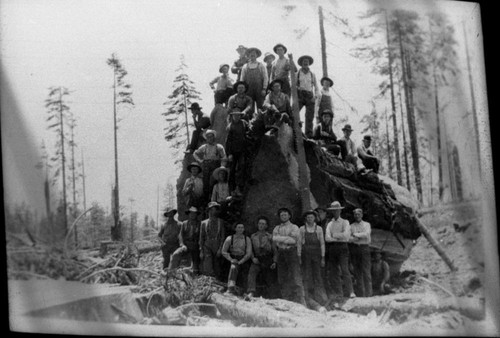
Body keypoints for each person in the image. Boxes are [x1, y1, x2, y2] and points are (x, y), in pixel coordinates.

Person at [272, 207, 306, 306]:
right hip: (281, 253)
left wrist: (280, 238)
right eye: (281, 215)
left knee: (295, 276)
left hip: (291, 252)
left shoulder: (294, 227)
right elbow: (274, 240)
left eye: (285, 214)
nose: (283, 216)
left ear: (289, 216)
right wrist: (286, 238)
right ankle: (286, 299)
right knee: (282, 276)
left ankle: (300, 300)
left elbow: (293, 240)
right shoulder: (276, 228)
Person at [324, 201, 355, 298]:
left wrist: (335, 235)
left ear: (340, 211)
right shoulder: (330, 224)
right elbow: (327, 238)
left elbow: (346, 236)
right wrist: (338, 236)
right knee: (334, 271)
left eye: (337, 210)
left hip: (342, 247)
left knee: (345, 269)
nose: (335, 212)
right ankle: (339, 293)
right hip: (333, 248)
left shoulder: (345, 222)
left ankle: (351, 291)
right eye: (333, 211)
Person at [299, 210, 328, 308]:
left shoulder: (319, 229)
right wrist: (299, 256)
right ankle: (307, 297)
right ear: (305, 219)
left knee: (318, 275)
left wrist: (323, 257)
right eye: (308, 218)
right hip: (306, 255)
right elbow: (299, 243)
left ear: (314, 218)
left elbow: (322, 243)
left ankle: (321, 297)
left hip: (316, 254)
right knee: (306, 275)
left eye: (311, 217)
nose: (310, 219)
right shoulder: (302, 229)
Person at [246, 216, 277, 298]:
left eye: (263, 224)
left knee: (270, 277)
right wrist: (253, 258)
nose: (261, 225)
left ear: (266, 226)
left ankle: (272, 296)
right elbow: (250, 249)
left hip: (267, 259)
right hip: (257, 259)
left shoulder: (270, 236)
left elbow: (275, 250)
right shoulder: (253, 236)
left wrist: (274, 261)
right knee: (252, 273)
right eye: (260, 223)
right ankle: (251, 292)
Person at [193, 129, 227, 203]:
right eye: (208, 137)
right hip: (206, 167)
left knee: (214, 183)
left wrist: (222, 167)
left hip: (215, 166)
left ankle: (215, 201)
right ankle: (206, 202)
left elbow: (224, 157)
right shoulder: (204, 147)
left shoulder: (219, 147)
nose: (210, 138)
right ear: (206, 138)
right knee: (205, 185)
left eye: (211, 136)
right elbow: (195, 153)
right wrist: (199, 161)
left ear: (214, 137)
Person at [169, 206, 202, 274]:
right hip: (186, 245)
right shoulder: (184, 223)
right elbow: (180, 235)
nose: (192, 215)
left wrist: (200, 247)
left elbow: (202, 236)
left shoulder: (200, 224)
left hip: (196, 246)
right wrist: (182, 244)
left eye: (194, 213)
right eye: (191, 213)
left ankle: (195, 275)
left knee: (196, 268)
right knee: (175, 254)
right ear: (189, 214)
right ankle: (171, 272)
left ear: (196, 215)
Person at [221, 223, 252, 294]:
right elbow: (224, 251)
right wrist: (231, 259)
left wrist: (241, 261)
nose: (240, 229)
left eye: (242, 227)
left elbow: (248, 253)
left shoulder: (247, 239)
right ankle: (230, 288)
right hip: (232, 258)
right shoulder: (229, 238)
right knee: (233, 268)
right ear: (235, 228)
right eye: (239, 227)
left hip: (243, 259)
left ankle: (243, 291)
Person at [349, 208, 372, 297]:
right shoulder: (351, 226)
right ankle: (361, 294)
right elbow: (348, 238)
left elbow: (366, 235)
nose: (357, 216)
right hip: (355, 249)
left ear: (362, 215)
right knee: (357, 272)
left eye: (358, 214)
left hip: (364, 249)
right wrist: (356, 237)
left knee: (366, 271)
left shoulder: (366, 225)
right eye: (355, 214)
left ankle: (369, 294)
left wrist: (355, 235)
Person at [225, 108, 249, 196]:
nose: (236, 117)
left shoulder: (244, 123)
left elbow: (248, 131)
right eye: (235, 115)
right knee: (232, 170)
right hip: (233, 151)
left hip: (242, 150)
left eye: (238, 115)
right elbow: (228, 142)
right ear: (232, 116)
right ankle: (231, 189)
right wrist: (229, 154)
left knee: (242, 167)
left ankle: (240, 188)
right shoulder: (230, 126)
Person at [199, 202, 226, 279]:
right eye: (210, 210)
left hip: (217, 245)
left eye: (214, 210)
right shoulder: (204, 223)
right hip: (207, 245)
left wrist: (220, 249)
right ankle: (208, 280)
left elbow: (222, 237)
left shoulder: (220, 222)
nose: (212, 212)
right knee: (207, 264)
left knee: (217, 265)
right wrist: (201, 250)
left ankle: (217, 281)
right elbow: (201, 238)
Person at [296, 55, 319, 138]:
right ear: (301, 63)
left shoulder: (312, 74)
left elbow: (316, 87)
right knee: (294, 112)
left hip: (310, 96)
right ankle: (296, 132)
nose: (305, 63)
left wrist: (315, 97)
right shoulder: (297, 73)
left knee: (309, 117)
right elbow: (293, 85)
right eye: (304, 62)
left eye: (307, 62)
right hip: (300, 95)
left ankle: (308, 136)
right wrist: (298, 89)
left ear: (309, 63)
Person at [240, 47, 268, 111]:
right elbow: (242, 79)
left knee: (261, 107)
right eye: (251, 54)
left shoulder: (261, 65)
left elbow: (265, 77)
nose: (252, 55)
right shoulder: (245, 66)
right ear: (248, 55)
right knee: (249, 107)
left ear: (257, 55)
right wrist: (242, 90)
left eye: (254, 53)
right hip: (249, 90)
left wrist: (264, 89)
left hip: (259, 90)